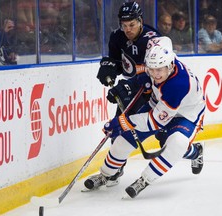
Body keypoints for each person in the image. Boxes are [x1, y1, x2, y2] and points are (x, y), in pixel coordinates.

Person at [84, 36, 205, 198]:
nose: (156, 74)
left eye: (159, 70)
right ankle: (105, 175)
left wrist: (121, 122)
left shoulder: (178, 84)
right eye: (152, 69)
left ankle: (191, 154)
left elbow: (154, 122)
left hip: (185, 114)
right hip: (159, 106)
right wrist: (126, 86)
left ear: (170, 66)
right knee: (122, 141)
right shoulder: (160, 61)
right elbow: (145, 76)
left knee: (177, 144)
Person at [96, 1, 161, 117]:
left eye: (132, 25)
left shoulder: (152, 40)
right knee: (120, 126)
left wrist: (129, 86)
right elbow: (118, 63)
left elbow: (156, 72)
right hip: (131, 89)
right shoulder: (117, 37)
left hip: (153, 91)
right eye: (124, 25)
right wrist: (110, 68)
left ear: (140, 21)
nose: (128, 30)